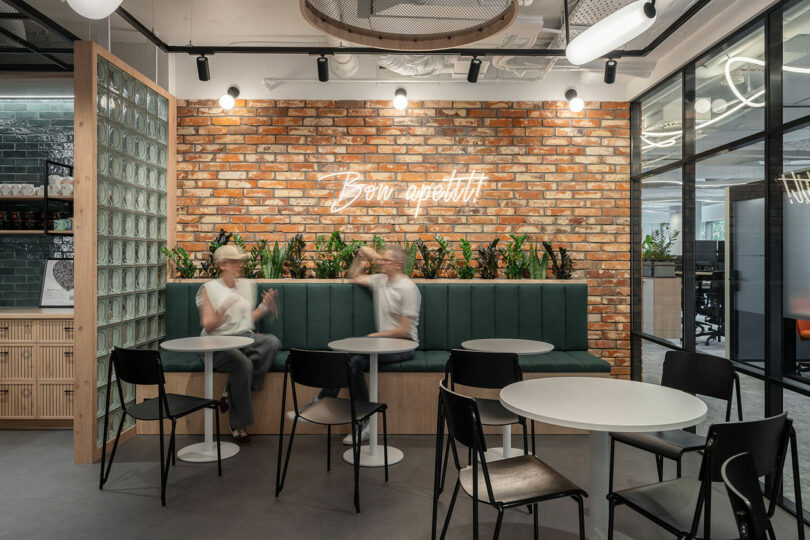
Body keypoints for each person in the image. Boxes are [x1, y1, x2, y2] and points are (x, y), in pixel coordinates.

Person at [289, 245, 420, 445]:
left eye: (386, 260)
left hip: (404, 345)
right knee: (349, 360)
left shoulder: (409, 288)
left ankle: (342, 412)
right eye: (381, 259)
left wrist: (373, 336)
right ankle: (352, 417)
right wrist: (360, 255)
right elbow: (354, 275)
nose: (381, 262)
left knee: (353, 360)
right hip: (381, 344)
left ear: (398, 264)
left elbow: (404, 331)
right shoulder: (380, 280)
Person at [196, 244, 280, 445]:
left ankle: (230, 391)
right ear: (222, 265)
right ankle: (238, 424)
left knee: (271, 342)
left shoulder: (246, 285)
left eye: (240, 261)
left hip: (243, 338)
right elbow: (208, 326)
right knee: (243, 364)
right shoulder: (208, 289)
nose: (240, 265)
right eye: (235, 262)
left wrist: (265, 307)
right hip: (216, 342)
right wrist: (223, 308)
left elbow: (246, 318)